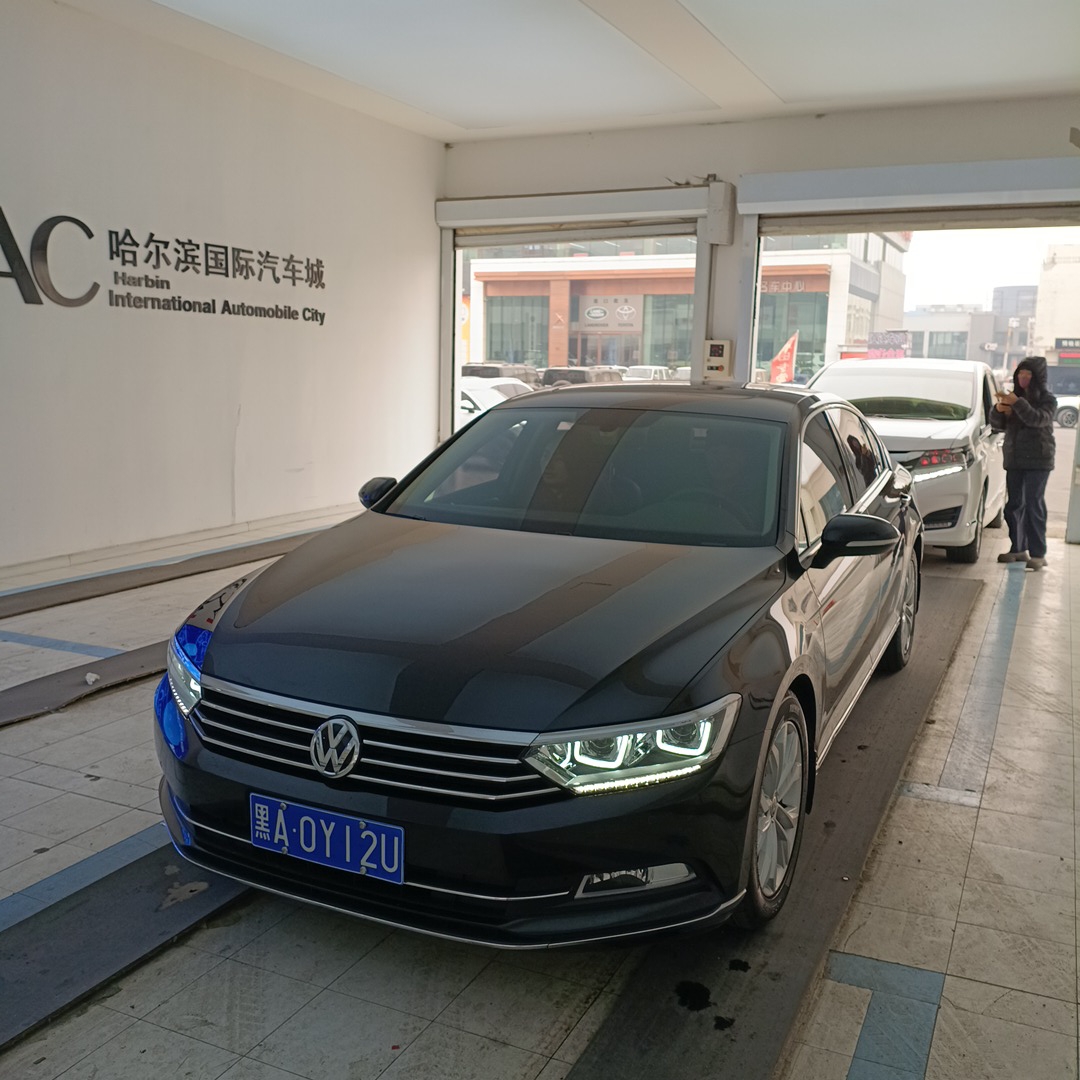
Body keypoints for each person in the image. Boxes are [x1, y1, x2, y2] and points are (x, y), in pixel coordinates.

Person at [991, 356, 1057, 570]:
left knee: (1033, 504)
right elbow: (998, 425)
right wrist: (998, 410)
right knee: (1013, 505)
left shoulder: (1048, 399)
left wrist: (1017, 404)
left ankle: (1038, 553)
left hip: (1039, 460)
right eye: (1020, 373)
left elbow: (1037, 419)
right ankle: (1018, 548)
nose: (1023, 378)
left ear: (1037, 377)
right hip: (1015, 459)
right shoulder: (1014, 397)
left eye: (1028, 374)